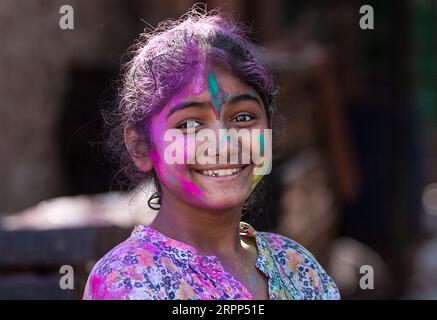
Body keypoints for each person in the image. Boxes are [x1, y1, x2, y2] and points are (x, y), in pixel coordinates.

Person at [83, 6, 340, 300]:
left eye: (243, 117)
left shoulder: (297, 266)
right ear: (141, 147)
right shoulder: (129, 279)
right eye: (190, 124)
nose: (223, 143)